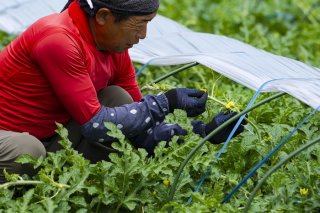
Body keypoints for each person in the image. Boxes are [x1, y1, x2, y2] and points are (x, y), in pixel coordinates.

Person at [0, 0, 246, 183]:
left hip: (47, 137)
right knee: (27, 150)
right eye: (140, 25)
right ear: (104, 16)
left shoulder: (111, 48)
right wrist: (166, 102)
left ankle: (58, 185)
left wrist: (204, 132)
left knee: (117, 98)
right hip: (12, 137)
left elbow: (142, 130)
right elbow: (95, 124)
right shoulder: (58, 39)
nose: (143, 35)